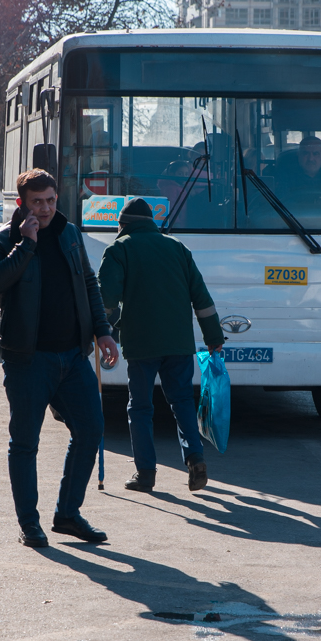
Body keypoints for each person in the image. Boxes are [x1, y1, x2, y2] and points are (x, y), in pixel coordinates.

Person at [0, 168, 119, 548]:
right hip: (28, 359)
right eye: (37, 202)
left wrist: (103, 330)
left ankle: (68, 514)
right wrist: (26, 243)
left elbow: (88, 282)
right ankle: (30, 523)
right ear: (22, 202)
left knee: (91, 430)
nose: (45, 209)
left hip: (73, 356)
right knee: (25, 443)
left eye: (51, 201)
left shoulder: (70, 233)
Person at [98, 197, 225, 493]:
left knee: (140, 407)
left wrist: (101, 331)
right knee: (181, 402)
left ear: (123, 224)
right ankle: (195, 459)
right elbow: (202, 300)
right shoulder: (178, 248)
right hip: (179, 342)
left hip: (141, 344)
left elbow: (106, 300)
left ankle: (145, 473)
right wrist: (214, 339)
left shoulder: (119, 249)